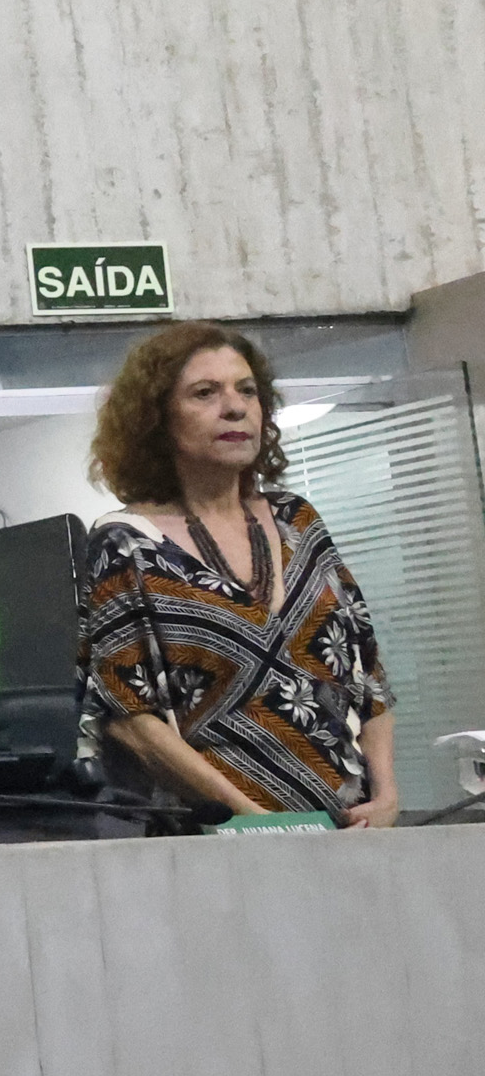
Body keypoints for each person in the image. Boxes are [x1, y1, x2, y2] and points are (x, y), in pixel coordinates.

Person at [79, 323, 396, 825]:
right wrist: (253, 820)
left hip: (350, 834)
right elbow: (129, 719)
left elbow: (369, 676)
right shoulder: (125, 542)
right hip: (213, 840)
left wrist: (386, 796)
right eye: (205, 393)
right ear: (156, 420)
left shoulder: (298, 520)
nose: (234, 407)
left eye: (246, 390)